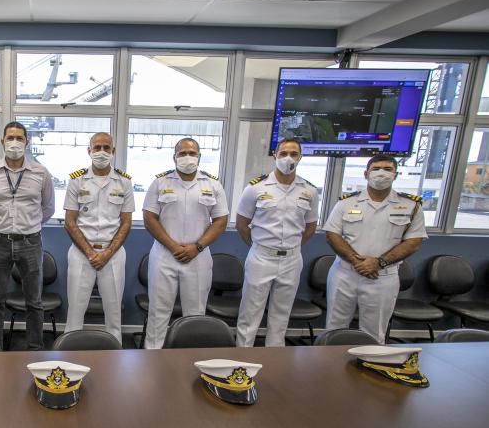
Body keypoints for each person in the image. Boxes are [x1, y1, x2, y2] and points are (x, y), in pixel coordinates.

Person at [323, 154, 427, 343]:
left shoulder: (410, 206)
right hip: (345, 273)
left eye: (388, 169)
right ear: (366, 174)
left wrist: (378, 263)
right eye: (376, 169)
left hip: (383, 277)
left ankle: (370, 368)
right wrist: (357, 262)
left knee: (374, 333)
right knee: (334, 328)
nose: (381, 174)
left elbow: (413, 242)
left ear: (395, 174)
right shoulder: (346, 202)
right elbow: (332, 235)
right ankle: (329, 369)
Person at [142, 138, 228, 349]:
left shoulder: (212, 184)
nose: (187, 157)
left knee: (196, 314)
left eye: (192, 153)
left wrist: (196, 247)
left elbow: (220, 221)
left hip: (198, 257)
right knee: (158, 313)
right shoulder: (160, 183)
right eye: (182, 153)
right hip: (164, 255)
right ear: (174, 157)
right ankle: (152, 359)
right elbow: (149, 218)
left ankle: (192, 360)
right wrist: (172, 246)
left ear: (199, 157)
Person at [234, 138, 319, 347]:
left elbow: (310, 227)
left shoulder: (309, 190)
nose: (288, 158)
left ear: (300, 157)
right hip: (261, 256)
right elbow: (242, 224)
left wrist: (292, 247)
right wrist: (259, 246)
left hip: (291, 259)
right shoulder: (256, 187)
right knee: (250, 315)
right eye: (283, 153)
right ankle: (242, 360)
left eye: (293, 153)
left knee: (281, 317)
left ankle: (275, 362)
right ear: (275, 155)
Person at [0, 121, 55, 351]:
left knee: (34, 301)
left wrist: (28, 226)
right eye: (10, 138)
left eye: (19, 138)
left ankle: (34, 349)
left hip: (31, 242)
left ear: (27, 142)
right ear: (2, 142)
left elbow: (48, 208)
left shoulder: (41, 172)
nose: (14, 143)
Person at [63, 132, 134, 344]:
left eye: (106, 148)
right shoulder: (76, 180)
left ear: (113, 151)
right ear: (89, 151)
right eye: (97, 147)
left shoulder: (124, 181)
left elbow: (126, 222)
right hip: (81, 253)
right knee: (75, 313)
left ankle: (114, 360)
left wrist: (106, 254)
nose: (101, 152)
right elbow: (70, 221)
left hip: (112, 254)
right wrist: (91, 253)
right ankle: (68, 357)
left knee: (113, 315)